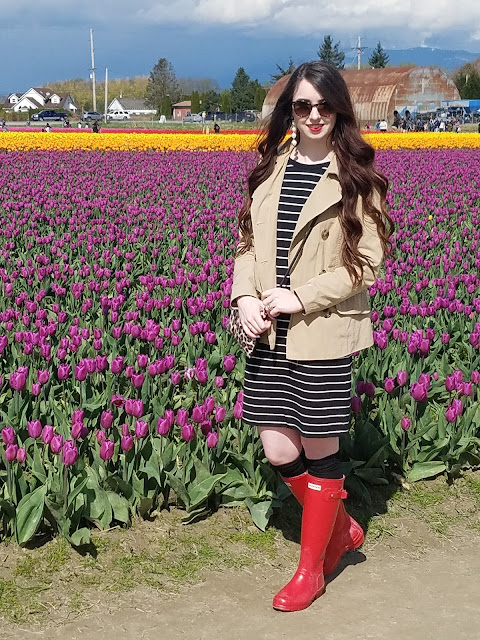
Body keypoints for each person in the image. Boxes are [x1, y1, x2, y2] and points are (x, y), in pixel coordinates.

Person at [231, 61, 392, 612]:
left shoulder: (357, 177)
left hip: (322, 332)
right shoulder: (270, 168)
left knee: (321, 450)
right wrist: (244, 298)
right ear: (290, 112)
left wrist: (302, 297)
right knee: (277, 447)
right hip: (268, 335)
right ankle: (343, 527)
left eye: (325, 106)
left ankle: (311, 571)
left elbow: (366, 263)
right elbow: (248, 245)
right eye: (303, 106)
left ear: (339, 108)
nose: (315, 116)